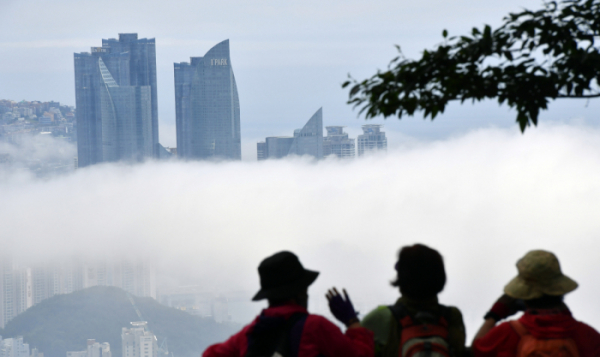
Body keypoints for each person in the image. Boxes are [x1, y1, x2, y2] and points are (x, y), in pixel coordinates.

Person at [202, 251, 374, 357]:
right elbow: (361, 354)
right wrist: (352, 321)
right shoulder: (316, 327)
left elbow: (210, 355)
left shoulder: (249, 333)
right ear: (300, 292)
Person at [472, 250, 600, 357]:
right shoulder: (586, 335)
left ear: (523, 294)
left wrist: (494, 314)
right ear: (560, 292)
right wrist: (566, 314)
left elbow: (476, 350)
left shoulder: (507, 333)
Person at [361, 244, 466, 357]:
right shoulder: (453, 316)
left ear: (402, 278)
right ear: (440, 277)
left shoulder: (380, 318)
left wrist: (351, 322)